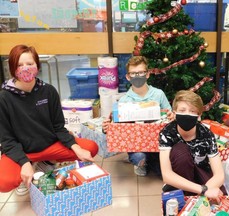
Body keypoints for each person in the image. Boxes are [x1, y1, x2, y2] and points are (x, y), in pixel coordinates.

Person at [0, 45, 98, 195]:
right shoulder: (4, 98)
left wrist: (77, 148)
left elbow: (58, 127)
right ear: (13, 68)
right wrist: (24, 163)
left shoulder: (48, 91)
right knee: (3, 182)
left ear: (37, 66)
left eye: (30, 64)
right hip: (23, 151)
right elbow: (7, 140)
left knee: (90, 148)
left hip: (50, 145)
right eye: (20, 65)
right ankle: (26, 171)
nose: (25, 68)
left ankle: (46, 163)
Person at [102, 55, 172, 176]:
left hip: (157, 142)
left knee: (163, 171)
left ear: (148, 74)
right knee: (139, 157)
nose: (137, 76)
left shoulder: (158, 94)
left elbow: (168, 115)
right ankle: (140, 161)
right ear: (128, 77)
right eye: (133, 74)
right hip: (136, 144)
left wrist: (172, 116)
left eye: (141, 72)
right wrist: (107, 128)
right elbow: (118, 127)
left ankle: (150, 160)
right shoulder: (124, 100)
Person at [159, 90, 226, 199]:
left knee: (221, 197)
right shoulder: (167, 133)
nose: (187, 114)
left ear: (199, 115)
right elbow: (166, 175)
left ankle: (189, 195)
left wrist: (203, 191)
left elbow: (219, 175)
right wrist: (203, 191)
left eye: (192, 111)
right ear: (174, 113)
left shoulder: (207, 134)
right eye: (182, 110)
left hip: (202, 174)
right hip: (180, 174)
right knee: (180, 151)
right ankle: (185, 194)